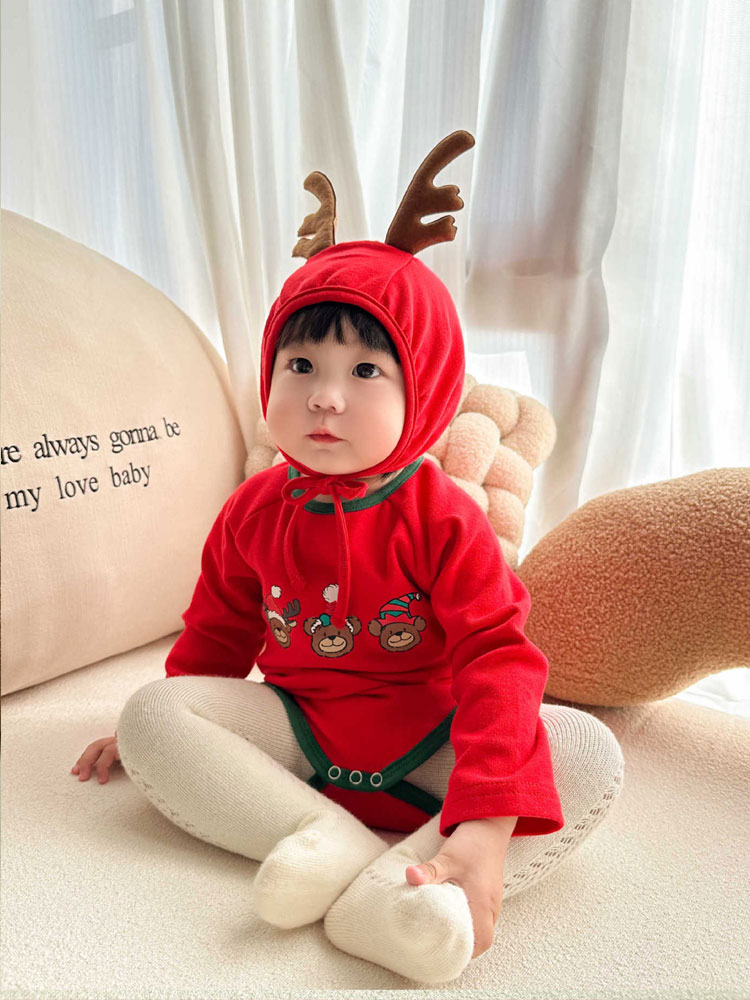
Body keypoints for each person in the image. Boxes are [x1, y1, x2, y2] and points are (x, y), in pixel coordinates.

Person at [72, 132, 624, 984]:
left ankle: (409, 883)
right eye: (301, 364)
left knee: (586, 750)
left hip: (430, 748)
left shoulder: (444, 517)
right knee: (153, 714)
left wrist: (485, 821)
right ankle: (323, 841)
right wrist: (171, 727)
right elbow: (217, 634)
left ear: (424, 389)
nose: (325, 397)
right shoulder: (253, 509)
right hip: (297, 745)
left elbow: (497, 657)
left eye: (367, 370)